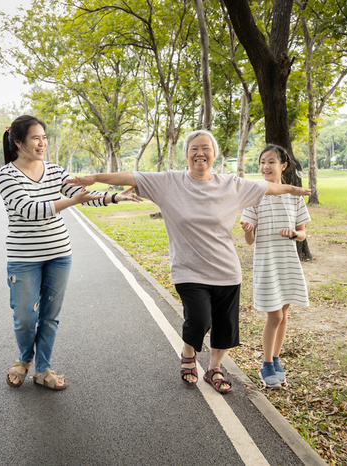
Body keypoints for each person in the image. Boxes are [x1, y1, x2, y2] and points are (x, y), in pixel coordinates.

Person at [67, 130, 311, 394]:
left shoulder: (232, 184)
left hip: (226, 270)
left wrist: (294, 190)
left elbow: (270, 187)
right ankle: (188, 351)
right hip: (187, 269)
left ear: (214, 154)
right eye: (194, 148)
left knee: (225, 327)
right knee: (199, 320)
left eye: (206, 148)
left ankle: (215, 368)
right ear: (186, 153)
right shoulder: (169, 182)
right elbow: (129, 176)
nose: (200, 153)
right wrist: (95, 178)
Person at [0, 115, 140, 391]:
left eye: (44, 137)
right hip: (24, 259)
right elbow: (29, 210)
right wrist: (72, 200)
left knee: (50, 315)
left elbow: (81, 193)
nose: (42, 143)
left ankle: (43, 369)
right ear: (18, 142)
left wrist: (114, 197)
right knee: (25, 317)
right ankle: (24, 359)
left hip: (59, 255)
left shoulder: (54, 170)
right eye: (35, 138)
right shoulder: (6, 175)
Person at [240, 145, 311, 389]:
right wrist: (249, 231)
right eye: (262, 162)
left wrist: (294, 234)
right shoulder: (254, 196)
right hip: (267, 261)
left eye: (271, 162)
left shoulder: (295, 196)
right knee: (275, 314)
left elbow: (302, 234)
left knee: (285, 314)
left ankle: (276, 360)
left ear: (283, 166)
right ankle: (266, 365)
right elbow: (250, 240)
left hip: (287, 261)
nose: (265, 167)